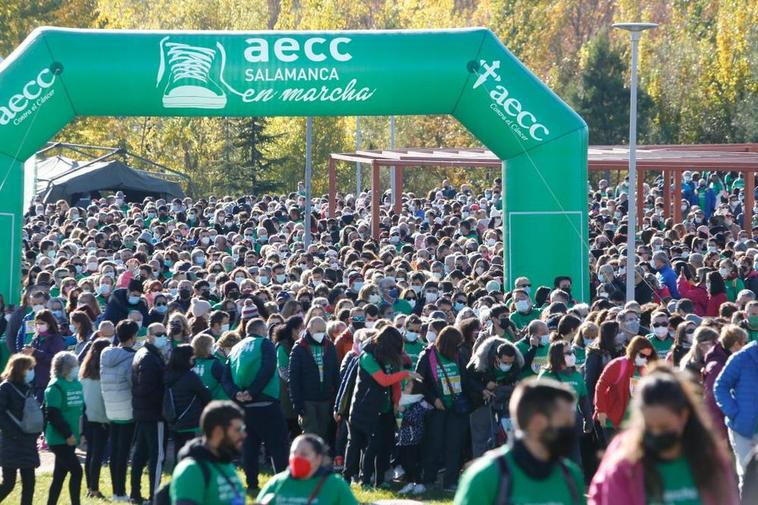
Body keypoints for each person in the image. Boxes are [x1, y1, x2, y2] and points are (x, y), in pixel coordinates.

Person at [589, 364, 738, 505]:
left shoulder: (711, 460)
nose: (656, 433)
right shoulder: (624, 464)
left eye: (664, 426)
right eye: (649, 427)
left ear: (684, 416)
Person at [454, 378, 585, 505]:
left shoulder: (571, 476)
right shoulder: (485, 477)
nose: (572, 429)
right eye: (566, 422)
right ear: (538, 422)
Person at [222, 317, 289, 496]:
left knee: (249, 446)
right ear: (262, 330)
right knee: (278, 445)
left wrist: (236, 394)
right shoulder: (265, 344)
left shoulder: (235, 348)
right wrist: (253, 391)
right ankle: (282, 483)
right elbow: (268, 368)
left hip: (243, 406)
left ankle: (251, 483)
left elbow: (225, 377)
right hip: (265, 402)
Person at [344, 325, 412, 487]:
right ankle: (358, 479)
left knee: (384, 445)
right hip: (366, 408)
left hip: (385, 408)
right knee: (361, 446)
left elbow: (394, 383)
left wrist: (396, 402)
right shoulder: (368, 356)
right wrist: (406, 374)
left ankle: (379, 480)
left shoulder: (391, 357)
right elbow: (383, 380)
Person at [417, 326, 470, 492]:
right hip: (437, 408)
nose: (459, 348)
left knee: (454, 446)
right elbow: (420, 383)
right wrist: (433, 399)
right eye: (456, 345)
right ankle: (429, 479)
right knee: (434, 444)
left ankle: (450, 481)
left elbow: (465, 378)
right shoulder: (427, 356)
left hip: (456, 407)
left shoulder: (457, 356)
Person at [169, 400, 246, 505]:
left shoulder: (226, 464)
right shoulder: (191, 470)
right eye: (238, 430)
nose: (243, 435)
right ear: (218, 431)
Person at [131, 316, 169, 504]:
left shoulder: (146, 353)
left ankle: (135, 493)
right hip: (153, 413)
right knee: (156, 456)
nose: (163, 337)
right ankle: (154, 496)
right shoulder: (148, 357)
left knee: (141, 453)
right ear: (149, 335)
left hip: (143, 411)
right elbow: (146, 388)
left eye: (164, 333)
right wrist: (161, 403)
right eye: (159, 334)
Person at [257, 434, 358, 505]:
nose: (297, 457)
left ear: (318, 458)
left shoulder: (335, 484)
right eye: (293, 453)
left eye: (304, 454)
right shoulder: (277, 482)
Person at [466, 336, 523, 458]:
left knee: (506, 435)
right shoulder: (480, 363)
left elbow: (516, 375)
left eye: (510, 363)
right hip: (480, 401)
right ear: (496, 358)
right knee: (482, 436)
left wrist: (516, 382)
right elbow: (467, 380)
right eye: (505, 362)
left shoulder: (516, 363)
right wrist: (483, 388)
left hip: (504, 401)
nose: (508, 365)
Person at [100, 320, 138, 501]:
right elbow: (133, 383)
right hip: (127, 409)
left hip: (110, 407)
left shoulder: (105, 353)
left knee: (115, 451)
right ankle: (120, 492)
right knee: (123, 453)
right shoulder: (133, 357)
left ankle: (116, 490)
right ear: (133, 337)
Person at [538, 340, 592, 466]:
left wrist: (588, 420)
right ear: (557, 356)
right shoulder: (546, 376)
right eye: (568, 353)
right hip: (552, 426)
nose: (572, 355)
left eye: (572, 352)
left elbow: (584, 399)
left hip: (573, 423)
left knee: (575, 459)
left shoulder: (576, 375)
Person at [714, 337, 758, 490]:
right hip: (744, 431)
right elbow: (720, 386)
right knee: (747, 479)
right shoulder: (742, 357)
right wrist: (735, 413)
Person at [594, 336, 657, 439]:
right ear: (634, 351)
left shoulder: (644, 369)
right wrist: (601, 410)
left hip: (634, 423)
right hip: (613, 421)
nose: (645, 359)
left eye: (648, 357)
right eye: (642, 355)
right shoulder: (618, 364)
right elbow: (601, 386)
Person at [289, 316, 339, 441]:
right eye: (318, 331)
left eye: (323, 331)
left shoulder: (330, 347)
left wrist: (337, 397)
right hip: (307, 399)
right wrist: (296, 402)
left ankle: (320, 458)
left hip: (326, 398)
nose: (321, 334)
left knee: (323, 431)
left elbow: (335, 373)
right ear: (309, 329)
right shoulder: (299, 348)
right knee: (310, 432)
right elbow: (293, 377)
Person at [44, 351, 84, 505]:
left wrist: (82, 432)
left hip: (72, 436)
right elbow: (53, 414)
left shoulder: (76, 384)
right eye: (74, 366)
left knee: (59, 475)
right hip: (59, 438)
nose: (76, 368)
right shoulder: (55, 386)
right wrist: (68, 434)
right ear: (65, 368)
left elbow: (81, 410)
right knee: (77, 471)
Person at [0, 355, 39, 505]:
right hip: (11, 441)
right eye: (29, 368)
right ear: (20, 369)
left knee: (30, 483)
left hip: (27, 440)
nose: (31, 372)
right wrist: (13, 433)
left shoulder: (27, 386)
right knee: (9, 483)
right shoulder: (6, 387)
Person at [165, 344, 212, 464]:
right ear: (186, 359)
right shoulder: (190, 376)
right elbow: (205, 395)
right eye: (192, 358)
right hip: (189, 421)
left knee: (178, 449)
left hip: (173, 418)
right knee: (190, 452)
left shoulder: (167, 374)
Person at [79, 338, 110, 499]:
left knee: (91, 453)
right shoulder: (104, 372)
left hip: (86, 417)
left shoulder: (84, 372)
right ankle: (94, 488)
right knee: (97, 454)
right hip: (101, 419)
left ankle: (90, 487)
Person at [191, 334, 228, 400]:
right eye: (211, 345)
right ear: (205, 348)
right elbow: (226, 381)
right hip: (211, 401)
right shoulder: (214, 363)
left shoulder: (189, 362)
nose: (213, 347)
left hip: (193, 402)